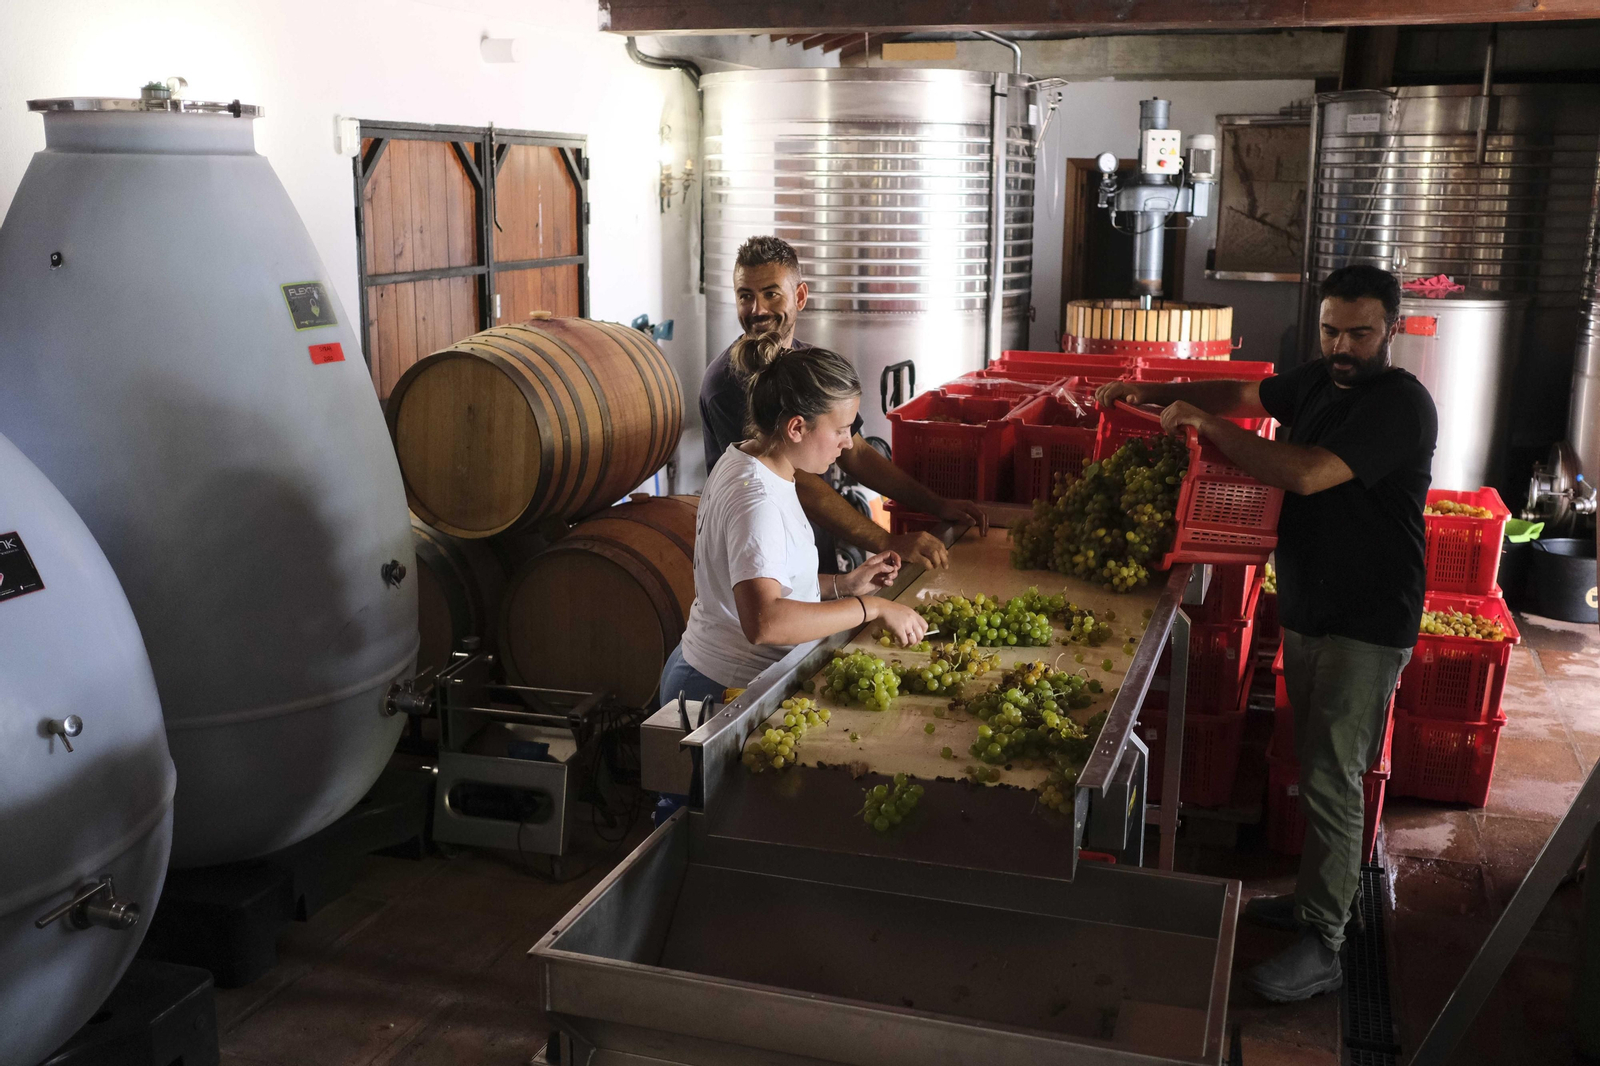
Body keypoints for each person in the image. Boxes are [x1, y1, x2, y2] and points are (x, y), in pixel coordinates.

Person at [1095, 265, 1437, 1003]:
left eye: (1360, 333)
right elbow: (1241, 394)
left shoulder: (1400, 406)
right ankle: (1318, 903)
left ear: (1393, 329)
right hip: (1313, 605)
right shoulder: (1317, 381)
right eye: (1330, 330)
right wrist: (1164, 396)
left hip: (1369, 619)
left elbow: (1308, 473)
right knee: (1314, 761)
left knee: (1332, 775)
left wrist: (1210, 428)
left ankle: (1326, 944)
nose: (1342, 346)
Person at [661, 332, 929, 705]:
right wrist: (873, 608)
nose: (848, 443)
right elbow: (766, 620)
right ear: (797, 428)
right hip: (718, 690)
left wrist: (844, 585)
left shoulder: (749, 460)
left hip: (709, 673)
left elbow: (762, 581)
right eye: (839, 430)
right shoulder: (757, 499)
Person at [701, 235, 987, 573]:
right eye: (745, 296)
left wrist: (936, 505)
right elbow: (794, 482)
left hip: (811, 550)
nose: (757, 310)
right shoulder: (728, 382)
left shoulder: (806, 365)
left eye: (771, 294)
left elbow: (857, 451)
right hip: (761, 558)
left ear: (800, 296)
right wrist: (888, 541)